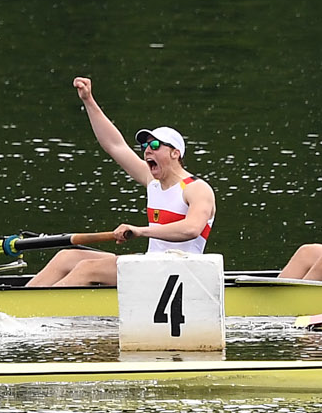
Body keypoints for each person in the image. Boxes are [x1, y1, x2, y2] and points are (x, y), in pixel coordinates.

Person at [27, 78, 218, 288]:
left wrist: (139, 230)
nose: (147, 150)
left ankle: (35, 315)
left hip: (181, 271)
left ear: (175, 153)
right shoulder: (152, 181)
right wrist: (88, 100)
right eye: (145, 145)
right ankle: (20, 305)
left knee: (86, 268)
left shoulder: (197, 189)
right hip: (152, 263)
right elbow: (114, 145)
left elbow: (191, 229)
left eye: (155, 145)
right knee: (67, 257)